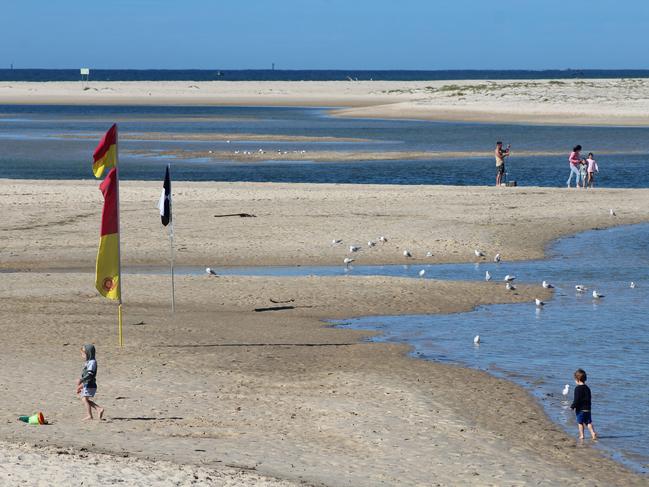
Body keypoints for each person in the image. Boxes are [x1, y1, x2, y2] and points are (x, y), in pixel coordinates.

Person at [76, 344, 104, 421]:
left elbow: (90, 375)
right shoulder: (89, 362)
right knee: (85, 399)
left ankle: (90, 415)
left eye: (83, 354)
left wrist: (81, 380)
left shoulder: (92, 362)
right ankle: (99, 409)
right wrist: (80, 387)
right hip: (88, 384)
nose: (82, 356)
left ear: (89, 353)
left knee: (84, 399)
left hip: (90, 385)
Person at [570, 368, 597, 440]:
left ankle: (582, 435)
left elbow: (576, 399)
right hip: (588, 409)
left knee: (580, 423)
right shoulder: (587, 388)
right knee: (589, 422)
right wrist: (589, 407)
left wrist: (572, 406)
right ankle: (593, 433)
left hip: (580, 410)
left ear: (577, 380)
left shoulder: (577, 388)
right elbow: (589, 398)